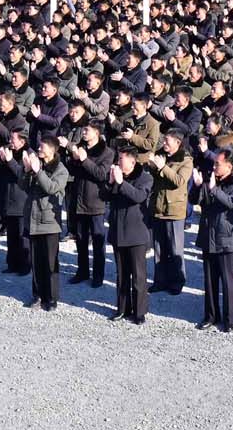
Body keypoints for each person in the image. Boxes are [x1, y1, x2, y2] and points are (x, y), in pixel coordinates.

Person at [193, 148, 233, 332]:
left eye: (218, 164)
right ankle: (210, 315)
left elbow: (232, 203)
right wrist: (198, 185)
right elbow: (194, 200)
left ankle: (230, 319)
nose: (214, 166)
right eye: (214, 163)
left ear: (229, 166)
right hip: (209, 235)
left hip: (226, 237)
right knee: (209, 280)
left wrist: (214, 189)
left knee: (229, 282)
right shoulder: (209, 179)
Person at [103, 148, 153, 324]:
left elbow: (138, 196)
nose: (118, 161)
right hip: (118, 231)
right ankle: (122, 308)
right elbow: (103, 196)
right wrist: (110, 183)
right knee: (122, 274)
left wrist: (120, 183)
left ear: (132, 162)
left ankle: (140, 312)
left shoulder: (145, 178)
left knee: (138, 275)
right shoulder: (116, 175)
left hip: (136, 233)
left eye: (121, 158)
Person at [21, 136, 69, 311]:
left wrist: (37, 172)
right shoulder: (37, 165)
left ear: (52, 149)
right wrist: (27, 171)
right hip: (33, 220)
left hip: (49, 222)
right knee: (36, 261)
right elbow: (24, 187)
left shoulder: (61, 170)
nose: (39, 150)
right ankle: (37, 295)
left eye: (42, 147)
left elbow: (51, 188)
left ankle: (51, 298)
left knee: (50, 263)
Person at [66, 124, 114, 288]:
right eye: (83, 130)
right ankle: (82, 271)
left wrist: (84, 160)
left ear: (97, 133)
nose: (83, 133)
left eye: (87, 130)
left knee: (98, 240)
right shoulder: (80, 148)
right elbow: (72, 171)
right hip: (79, 199)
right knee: (80, 238)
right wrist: (73, 158)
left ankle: (98, 275)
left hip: (96, 201)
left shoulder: (107, 152)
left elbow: (101, 174)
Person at [148, 129, 192, 295]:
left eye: (167, 141)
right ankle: (160, 280)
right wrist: (153, 165)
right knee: (159, 247)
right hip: (158, 206)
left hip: (174, 209)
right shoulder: (161, 155)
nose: (164, 144)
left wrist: (163, 167)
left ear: (178, 143)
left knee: (175, 248)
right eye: (164, 141)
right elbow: (156, 177)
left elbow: (179, 181)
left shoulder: (186, 160)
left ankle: (177, 281)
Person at [0, 130, 32, 275]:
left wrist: (9, 161)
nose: (10, 141)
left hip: (21, 199)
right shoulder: (9, 152)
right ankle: (12, 263)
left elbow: (22, 175)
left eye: (13, 139)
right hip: (8, 198)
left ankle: (25, 265)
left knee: (23, 236)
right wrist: (2, 160)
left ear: (22, 142)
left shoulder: (28, 154)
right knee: (11, 235)